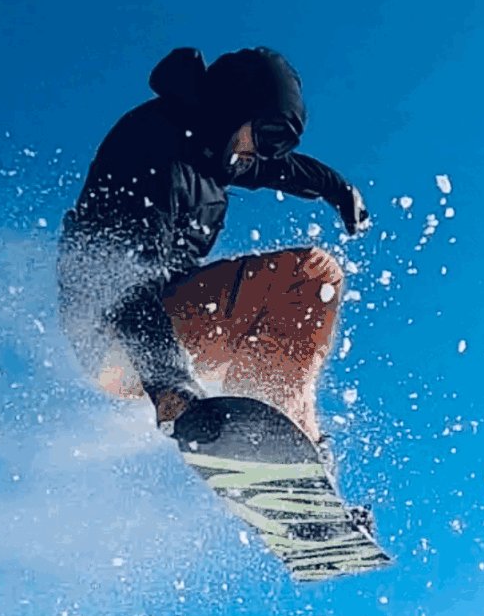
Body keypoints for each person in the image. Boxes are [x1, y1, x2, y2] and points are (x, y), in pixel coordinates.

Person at [58, 46, 368, 450]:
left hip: (149, 338)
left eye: (279, 144)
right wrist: (172, 391)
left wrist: (336, 188)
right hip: (120, 335)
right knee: (309, 278)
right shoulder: (153, 149)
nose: (264, 153)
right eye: (267, 136)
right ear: (232, 108)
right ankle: (265, 432)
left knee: (300, 295)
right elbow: (127, 282)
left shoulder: (207, 147)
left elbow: (279, 170)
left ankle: (295, 453)